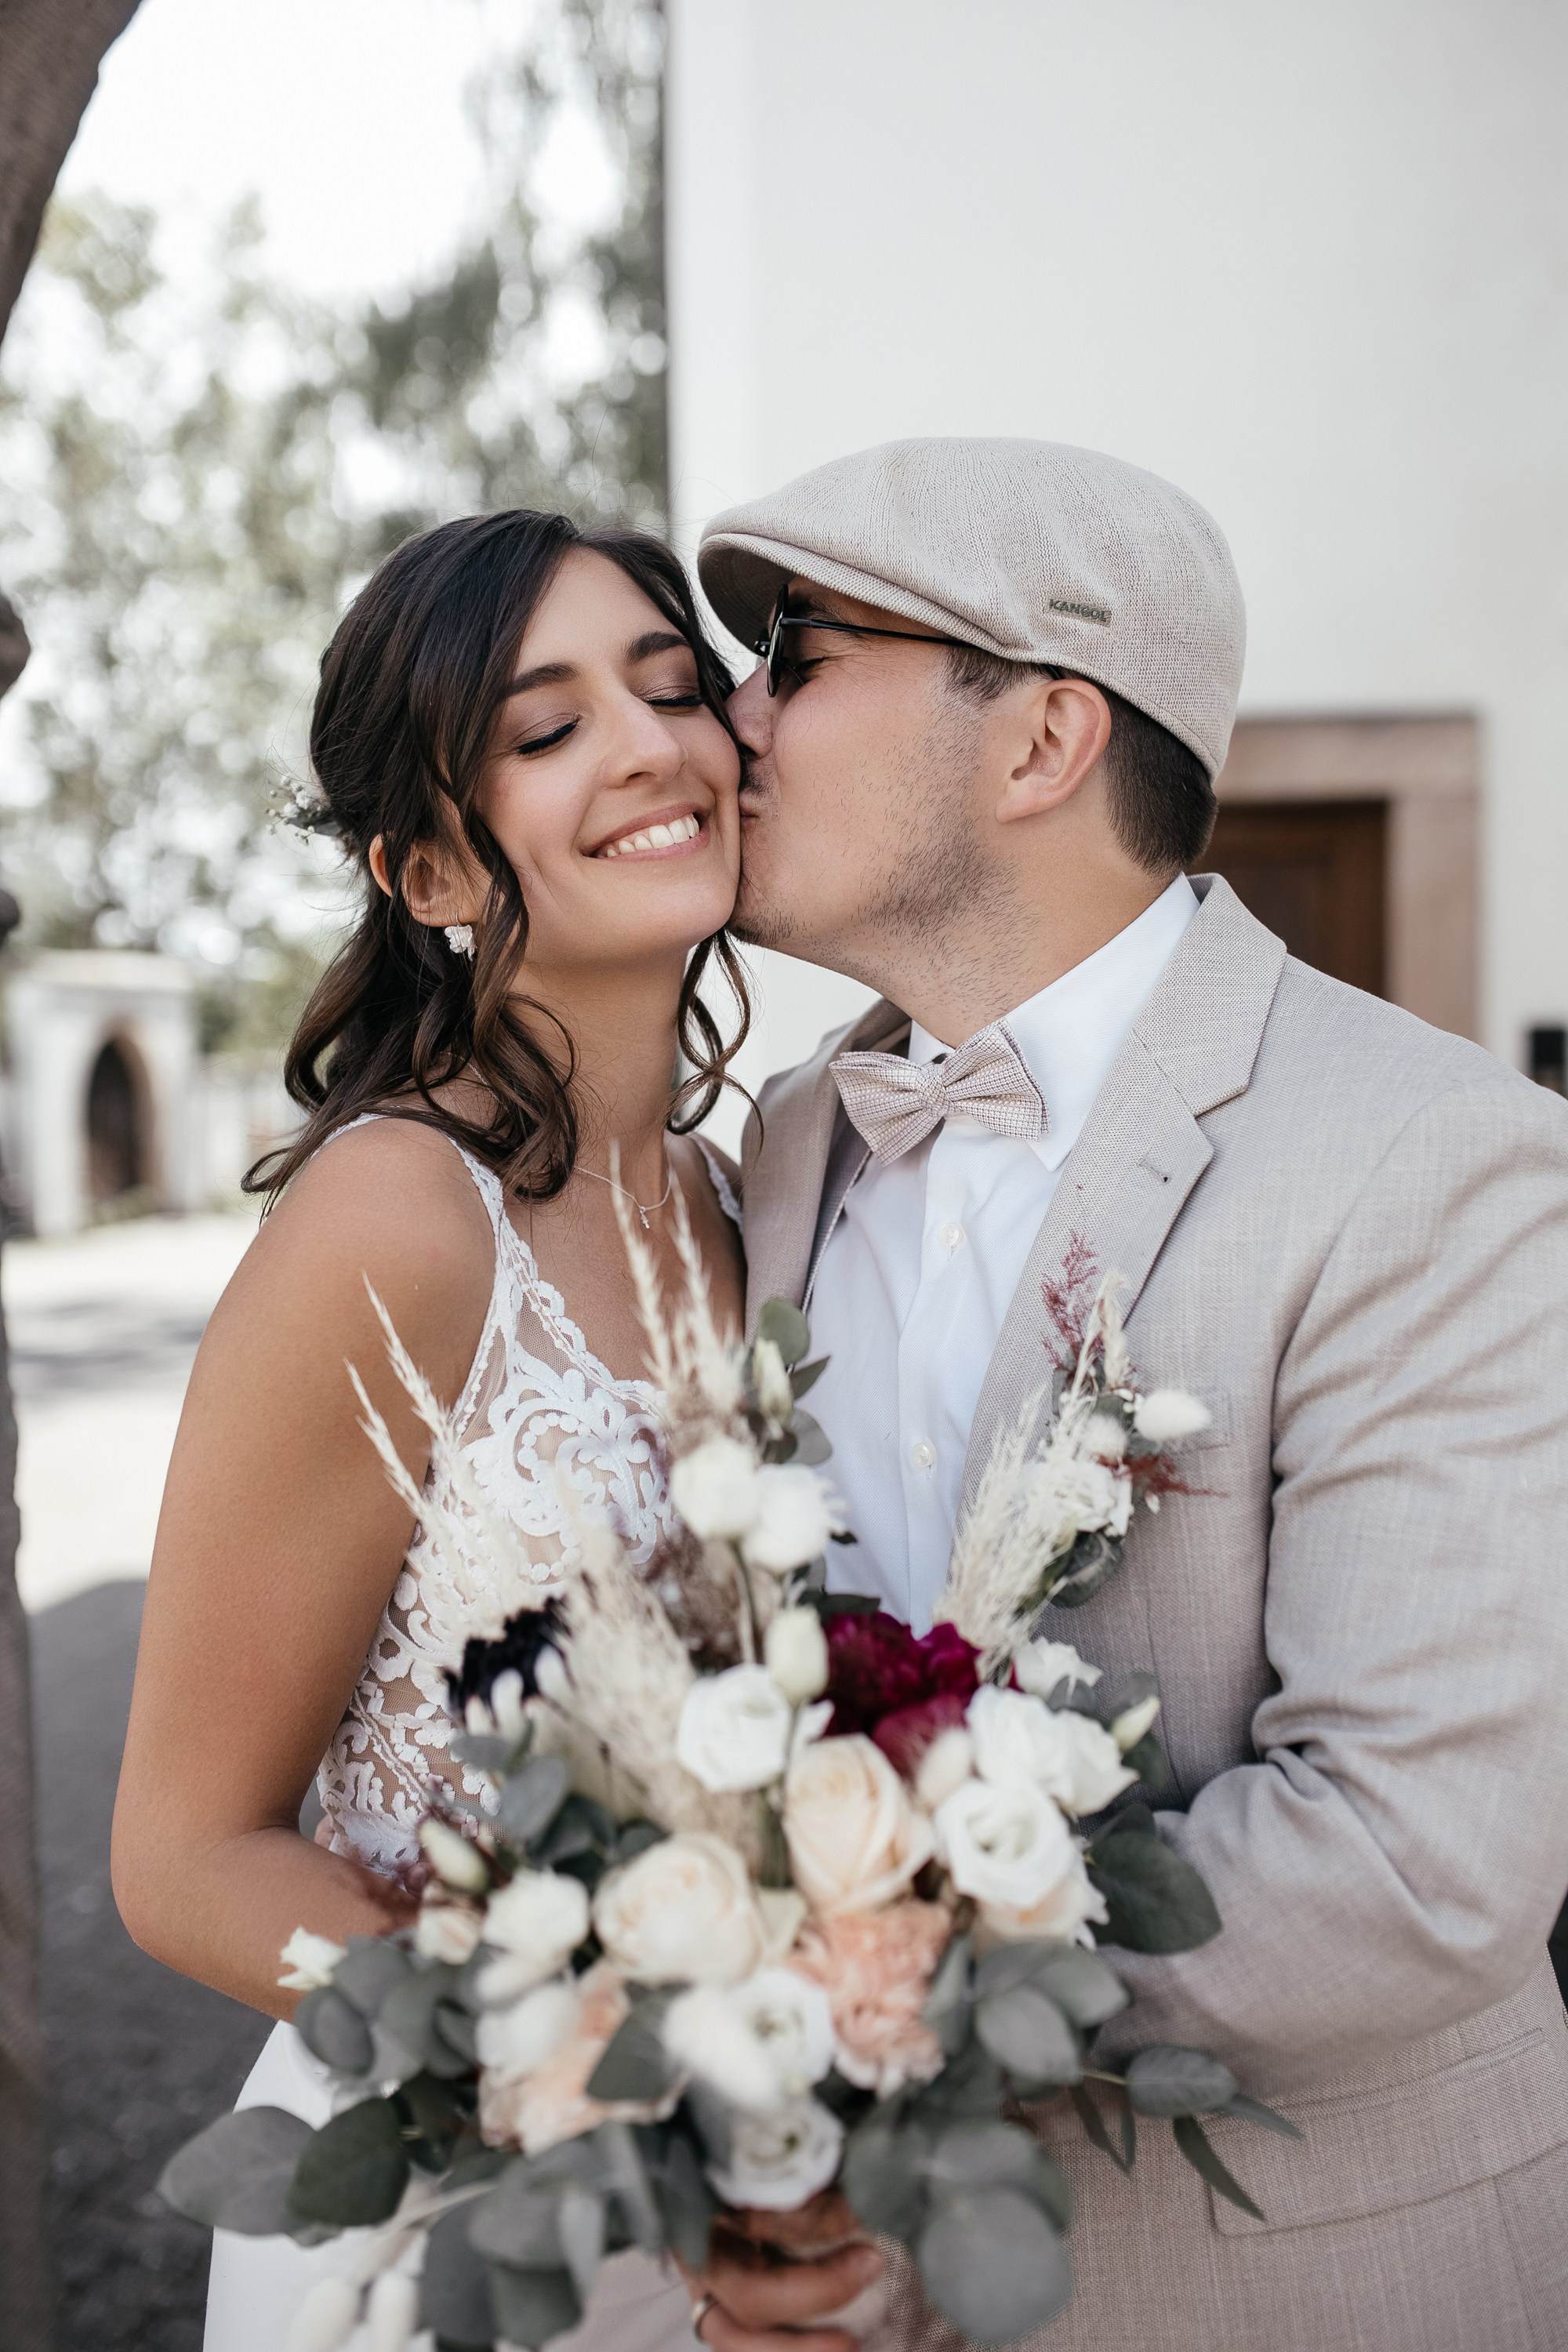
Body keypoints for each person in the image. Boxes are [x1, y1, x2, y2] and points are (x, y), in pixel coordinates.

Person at [681, 438, 1568, 2352]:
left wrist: (824, 2003)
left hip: (1300, 2286)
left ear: (1039, 740)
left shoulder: (1434, 1160)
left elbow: (1414, 1858)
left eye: (800, 656)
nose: (729, 715)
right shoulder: (787, 1143)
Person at [111, 510, 755, 2352]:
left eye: (672, 688)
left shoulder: (748, 1197)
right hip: (454, 2203)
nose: (650, 747)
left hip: (740, 2182)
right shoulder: (394, 1221)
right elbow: (184, 1859)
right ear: (428, 868)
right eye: (547, 729)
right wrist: (586, 2076)